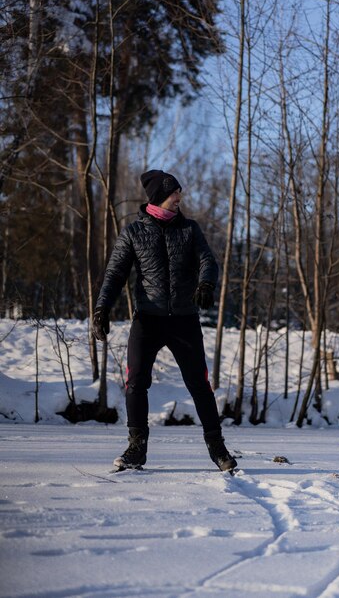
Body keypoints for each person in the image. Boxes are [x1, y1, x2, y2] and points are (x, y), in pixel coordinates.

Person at [92, 169, 237, 472]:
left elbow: (207, 260)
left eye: (179, 194)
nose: (179, 199)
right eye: (174, 195)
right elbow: (115, 274)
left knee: (200, 385)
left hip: (184, 320)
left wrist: (206, 283)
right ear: (159, 197)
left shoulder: (189, 229)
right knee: (135, 383)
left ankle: (218, 449)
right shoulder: (133, 233)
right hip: (148, 320)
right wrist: (102, 309)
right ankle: (136, 448)